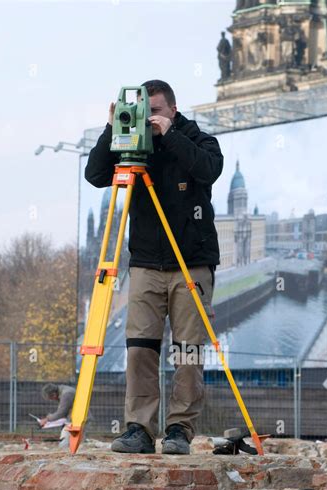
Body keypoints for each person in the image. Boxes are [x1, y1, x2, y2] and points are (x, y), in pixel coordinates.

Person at [84, 79, 224, 455]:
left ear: (173, 110)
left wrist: (171, 136)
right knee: (140, 348)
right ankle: (139, 429)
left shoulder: (198, 140)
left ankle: (180, 429)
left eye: (155, 112)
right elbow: (95, 175)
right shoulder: (132, 145)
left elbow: (208, 170)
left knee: (188, 351)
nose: (149, 119)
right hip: (145, 263)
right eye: (144, 112)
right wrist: (114, 128)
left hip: (191, 263)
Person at [39, 383, 76, 448]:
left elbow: (61, 413)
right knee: (66, 441)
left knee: (65, 443)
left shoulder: (66, 394)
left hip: (78, 421)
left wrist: (47, 419)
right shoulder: (64, 391)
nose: (52, 400)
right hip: (74, 419)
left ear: (54, 394)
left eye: (51, 398)